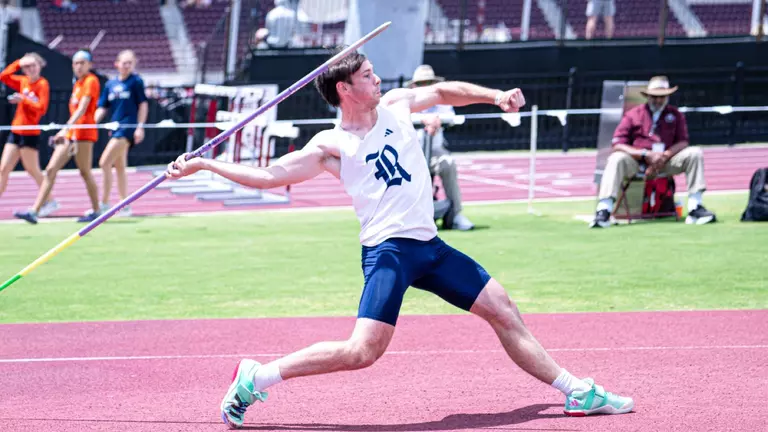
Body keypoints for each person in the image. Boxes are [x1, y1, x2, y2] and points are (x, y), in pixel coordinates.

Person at [166, 50, 634, 429]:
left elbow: (443, 90)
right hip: (388, 252)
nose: (377, 79)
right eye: (367, 76)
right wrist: (207, 164)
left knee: (502, 308)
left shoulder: (395, 106)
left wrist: (496, 97)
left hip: (429, 247)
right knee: (362, 352)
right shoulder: (331, 146)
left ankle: (578, 391)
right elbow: (268, 176)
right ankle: (256, 377)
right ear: (344, 89)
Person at [590, 76, 716, 228]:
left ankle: (695, 207)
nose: (658, 101)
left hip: (666, 162)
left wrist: (664, 156)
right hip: (637, 162)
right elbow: (617, 143)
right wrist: (644, 154)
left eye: (662, 97)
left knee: (695, 153)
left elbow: (683, 141)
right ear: (648, 96)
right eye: (654, 97)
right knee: (616, 158)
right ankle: (604, 210)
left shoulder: (676, 115)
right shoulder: (633, 114)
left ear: (667, 97)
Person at [14, 49, 102, 224]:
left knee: (85, 172)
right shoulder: (78, 84)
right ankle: (34, 211)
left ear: (89, 65)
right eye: (75, 63)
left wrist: (65, 129)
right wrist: (66, 131)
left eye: (82, 63)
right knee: (51, 169)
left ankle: (97, 211)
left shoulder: (91, 81)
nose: (78, 66)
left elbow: (82, 108)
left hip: (83, 134)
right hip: (71, 133)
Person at [407, 64, 474, 231]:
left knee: (448, 163)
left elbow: (450, 117)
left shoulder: (441, 101)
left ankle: (456, 214)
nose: (425, 87)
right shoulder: (406, 100)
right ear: (414, 85)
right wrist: (424, 119)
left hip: (435, 151)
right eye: (421, 83)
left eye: (429, 82)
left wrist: (436, 118)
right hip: (409, 154)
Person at [0, 52, 59, 217]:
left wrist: (23, 100)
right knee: (3, 168)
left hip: (30, 132)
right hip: (16, 130)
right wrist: (19, 62)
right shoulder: (23, 81)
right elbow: (4, 76)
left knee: (32, 169)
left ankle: (50, 200)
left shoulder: (42, 84)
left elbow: (41, 108)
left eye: (33, 65)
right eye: (27, 67)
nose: (30, 69)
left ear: (39, 66)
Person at [94, 50, 148, 217]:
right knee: (120, 167)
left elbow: (143, 105)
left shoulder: (136, 82)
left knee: (104, 162)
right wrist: (91, 123)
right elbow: (103, 106)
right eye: (124, 62)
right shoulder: (110, 84)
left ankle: (104, 204)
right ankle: (125, 204)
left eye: (129, 63)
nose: (126, 66)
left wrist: (140, 127)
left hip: (127, 128)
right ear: (116, 63)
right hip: (114, 127)